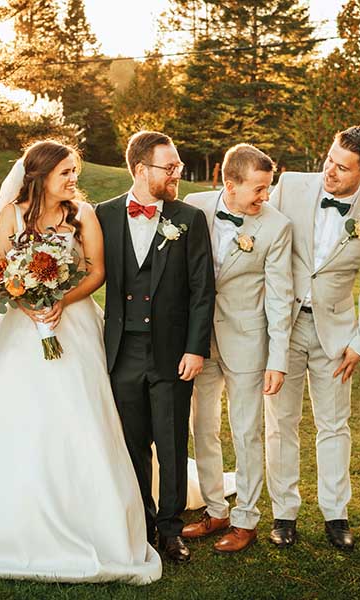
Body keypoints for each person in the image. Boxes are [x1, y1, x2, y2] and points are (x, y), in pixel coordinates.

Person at [0, 141, 161, 584]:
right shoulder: (10, 214)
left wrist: (60, 301)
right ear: (41, 174)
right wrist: (27, 301)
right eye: (65, 172)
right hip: (21, 327)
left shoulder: (81, 215)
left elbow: (96, 271)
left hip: (74, 325)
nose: (73, 179)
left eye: (75, 172)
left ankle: (91, 518)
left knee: (80, 415)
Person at [266, 125, 360, 550]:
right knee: (281, 422)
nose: (330, 172)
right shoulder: (289, 187)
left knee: (334, 425)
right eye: (329, 160)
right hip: (282, 326)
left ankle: (335, 513)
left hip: (336, 334)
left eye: (342, 168)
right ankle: (284, 512)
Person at [95, 131, 215, 563]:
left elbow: (203, 289)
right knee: (132, 443)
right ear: (142, 170)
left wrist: (195, 348)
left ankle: (171, 528)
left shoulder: (189, 217)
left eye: (178, 165)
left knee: (170, 442)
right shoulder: (103, 214)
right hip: (121, 351)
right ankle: (141, 524)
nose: (177, 173)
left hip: (172, 351)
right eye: (171, 167)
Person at [182, 144, 293, 553]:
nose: (265, 197)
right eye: (259, 189)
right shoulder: (193, 206)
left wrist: (277, 358)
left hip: (247, 339)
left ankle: (246, 520)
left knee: (246, 431)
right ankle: (215, 509)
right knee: (203, 425)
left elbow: (281, 296)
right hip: (196, 339)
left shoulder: (276, 226)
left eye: (269, 188)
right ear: (230, 184)